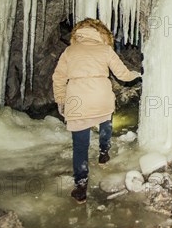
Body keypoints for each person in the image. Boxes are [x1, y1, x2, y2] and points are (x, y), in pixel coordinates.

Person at [52, 18, 141, 204]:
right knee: (106, 123)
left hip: (78, 100)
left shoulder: (70, 51)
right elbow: (123, 74)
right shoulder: (105, 49)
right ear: (101, 34)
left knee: (80, 145)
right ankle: (104, 152)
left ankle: (81, 186)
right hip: (101, 97)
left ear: (78, 33)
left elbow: (58, 78)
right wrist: (140, 74)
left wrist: (60, 100)